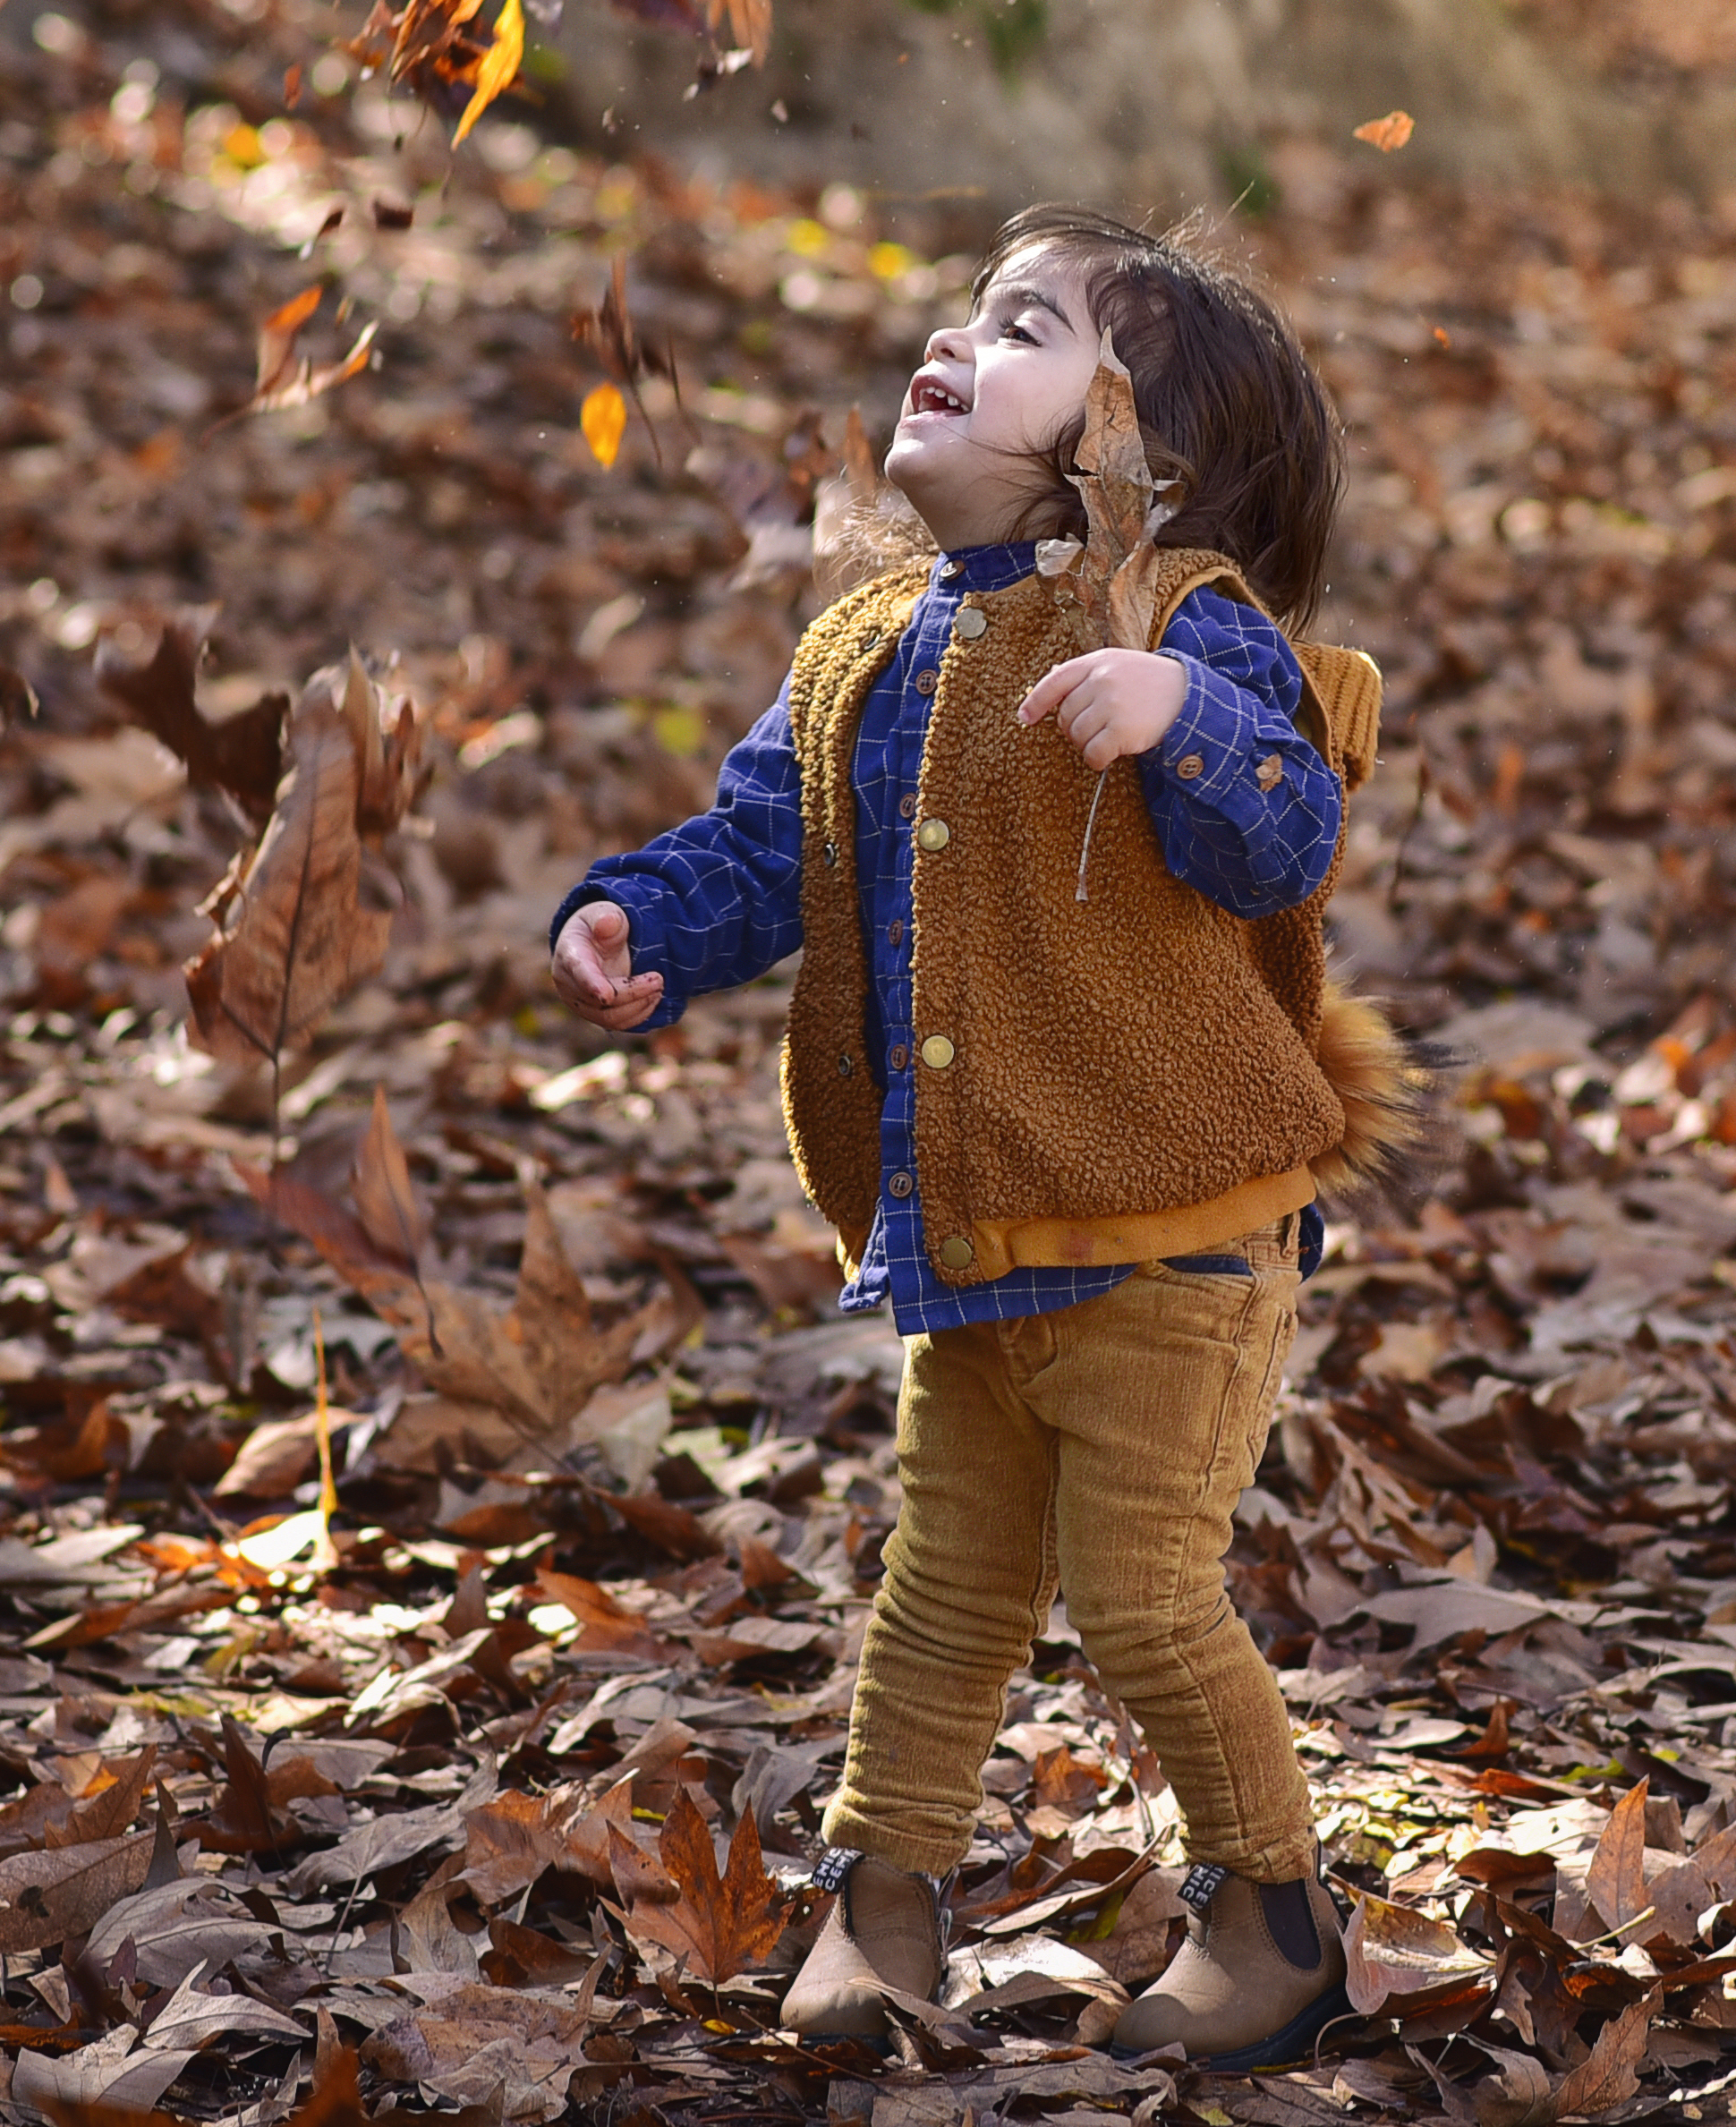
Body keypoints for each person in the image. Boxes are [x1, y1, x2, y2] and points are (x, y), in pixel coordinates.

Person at [548, 204, 1417, 2072]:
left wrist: (1177, 714)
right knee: (940, 1590)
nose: (955, 339)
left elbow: (1280, 834)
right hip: (975, 1238)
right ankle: (880, 1903)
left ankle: (1270, 1911)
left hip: (1181, 1238)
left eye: (1022, 326)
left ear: (1133, 449)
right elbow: (766, 848)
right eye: (968, 311)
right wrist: (642, 918)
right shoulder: (859, 641)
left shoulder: (1183, 622)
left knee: (1138, 1593)